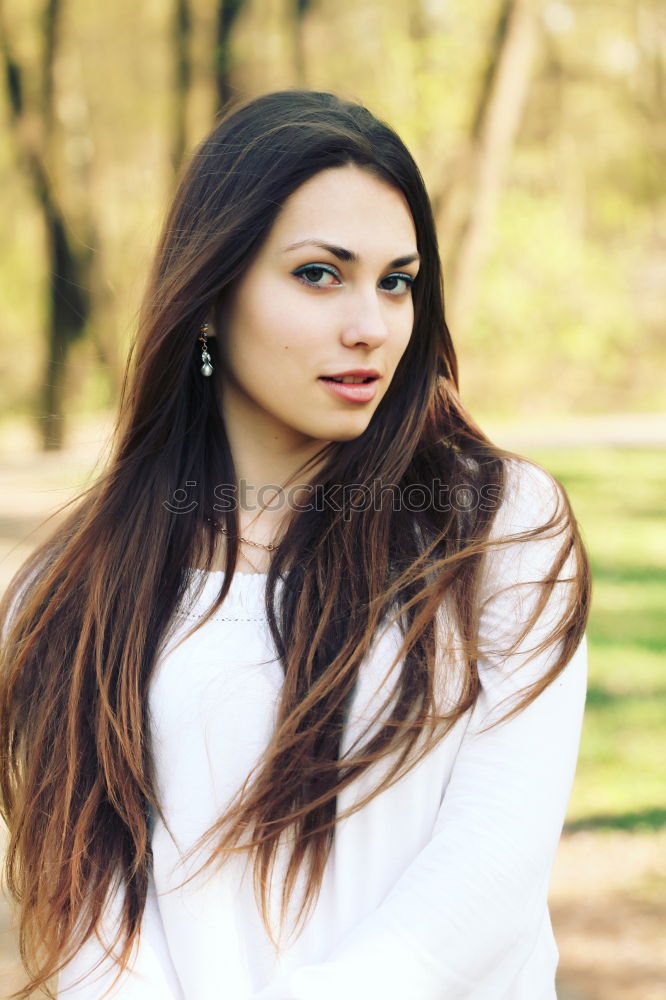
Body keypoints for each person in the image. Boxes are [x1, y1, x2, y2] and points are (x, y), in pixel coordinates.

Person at [0, 89, 590, 1000]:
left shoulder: (500, 529)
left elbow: (491, 868)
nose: (372, 325)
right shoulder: (71, 588)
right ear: (208, 295)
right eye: (321, 274)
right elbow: (88, 930)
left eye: (397, 281)